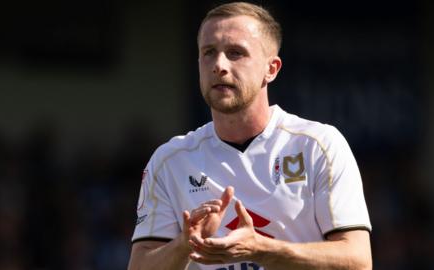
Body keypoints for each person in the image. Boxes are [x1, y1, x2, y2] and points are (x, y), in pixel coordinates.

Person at [127, 2, 372, 270]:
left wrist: (261, 249)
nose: (219, 65)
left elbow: (357, 261)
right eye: (209, 52)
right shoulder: (170, 161)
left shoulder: (318, 145)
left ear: (272, 69)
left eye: (235, 53)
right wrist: (185, 243)